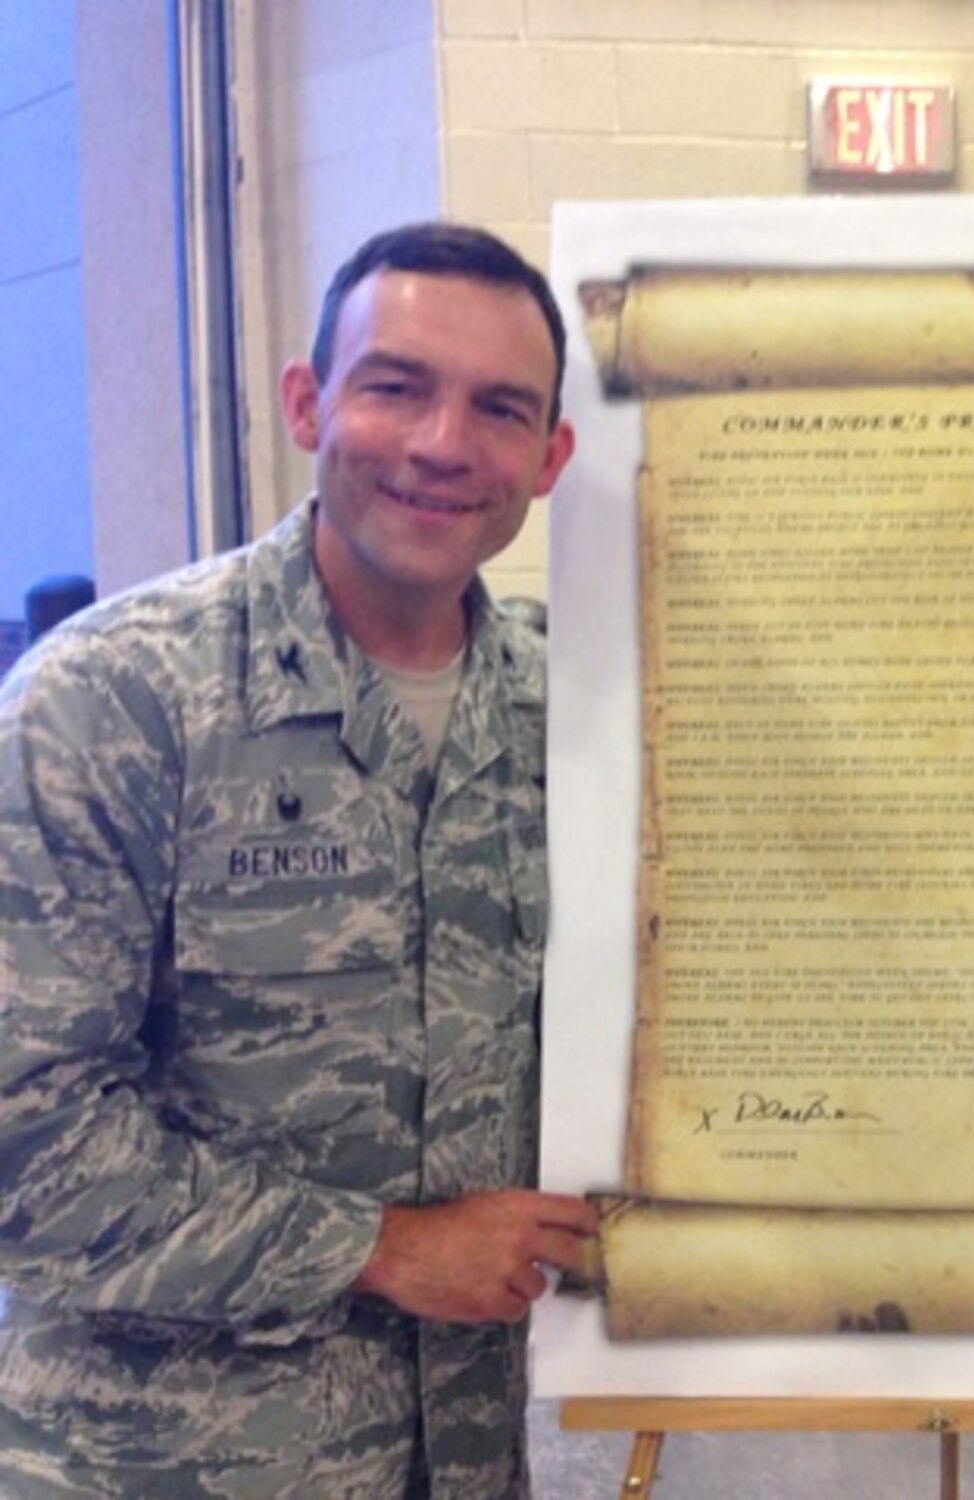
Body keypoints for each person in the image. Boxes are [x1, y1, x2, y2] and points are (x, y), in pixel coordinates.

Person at [0, 222, 597, 1497]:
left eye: (499, 409)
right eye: (395, 386)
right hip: (168, 1463)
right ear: (306, 400)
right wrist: (380, 1250)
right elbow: (21, 1138)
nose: (443, 444)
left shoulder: (577, 716)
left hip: (468, 1456)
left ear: (549, 458)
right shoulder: (113, 706)